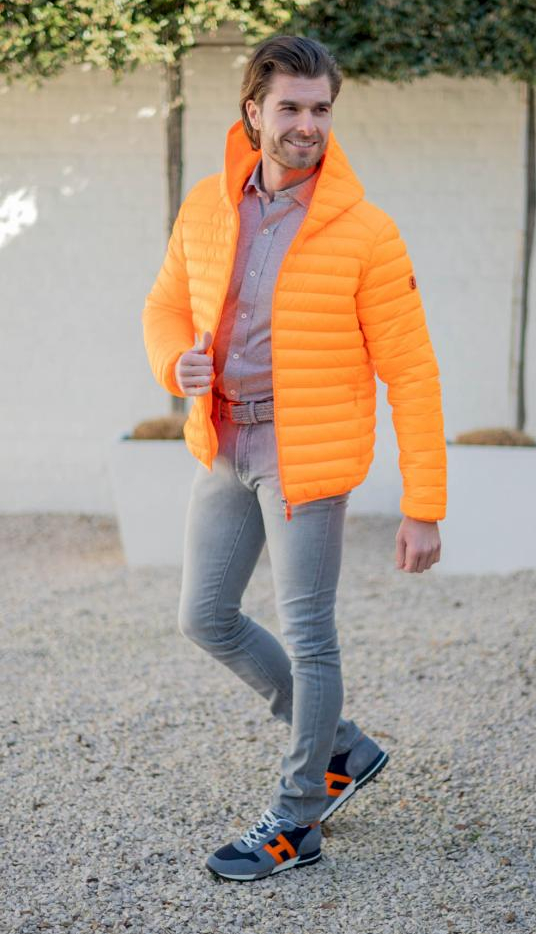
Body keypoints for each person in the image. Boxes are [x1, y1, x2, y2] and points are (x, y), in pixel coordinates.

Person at [142, 34, 447, 882]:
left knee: (311, 639)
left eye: (320, 108)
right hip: (223, 442)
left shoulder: (367, 232)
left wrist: (424, 506)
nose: (307, 124)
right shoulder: (209, 205)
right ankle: (342, 746)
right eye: (291, 107)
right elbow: (164, 305)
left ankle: (299, 818)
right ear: (254, 111)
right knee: (205, 616)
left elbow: (412, 371)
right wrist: (174, 363)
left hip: (305, 452)